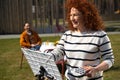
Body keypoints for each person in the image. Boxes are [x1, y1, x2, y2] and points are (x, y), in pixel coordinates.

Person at [50, 0, 114, 80]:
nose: (72, 18)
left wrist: (96, 69)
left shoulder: (100, 36)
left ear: (86, 15)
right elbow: (58, 52)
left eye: (75, 15)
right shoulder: (67, 35)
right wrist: (48, 57)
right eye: (70, 15)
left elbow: (109, 59)